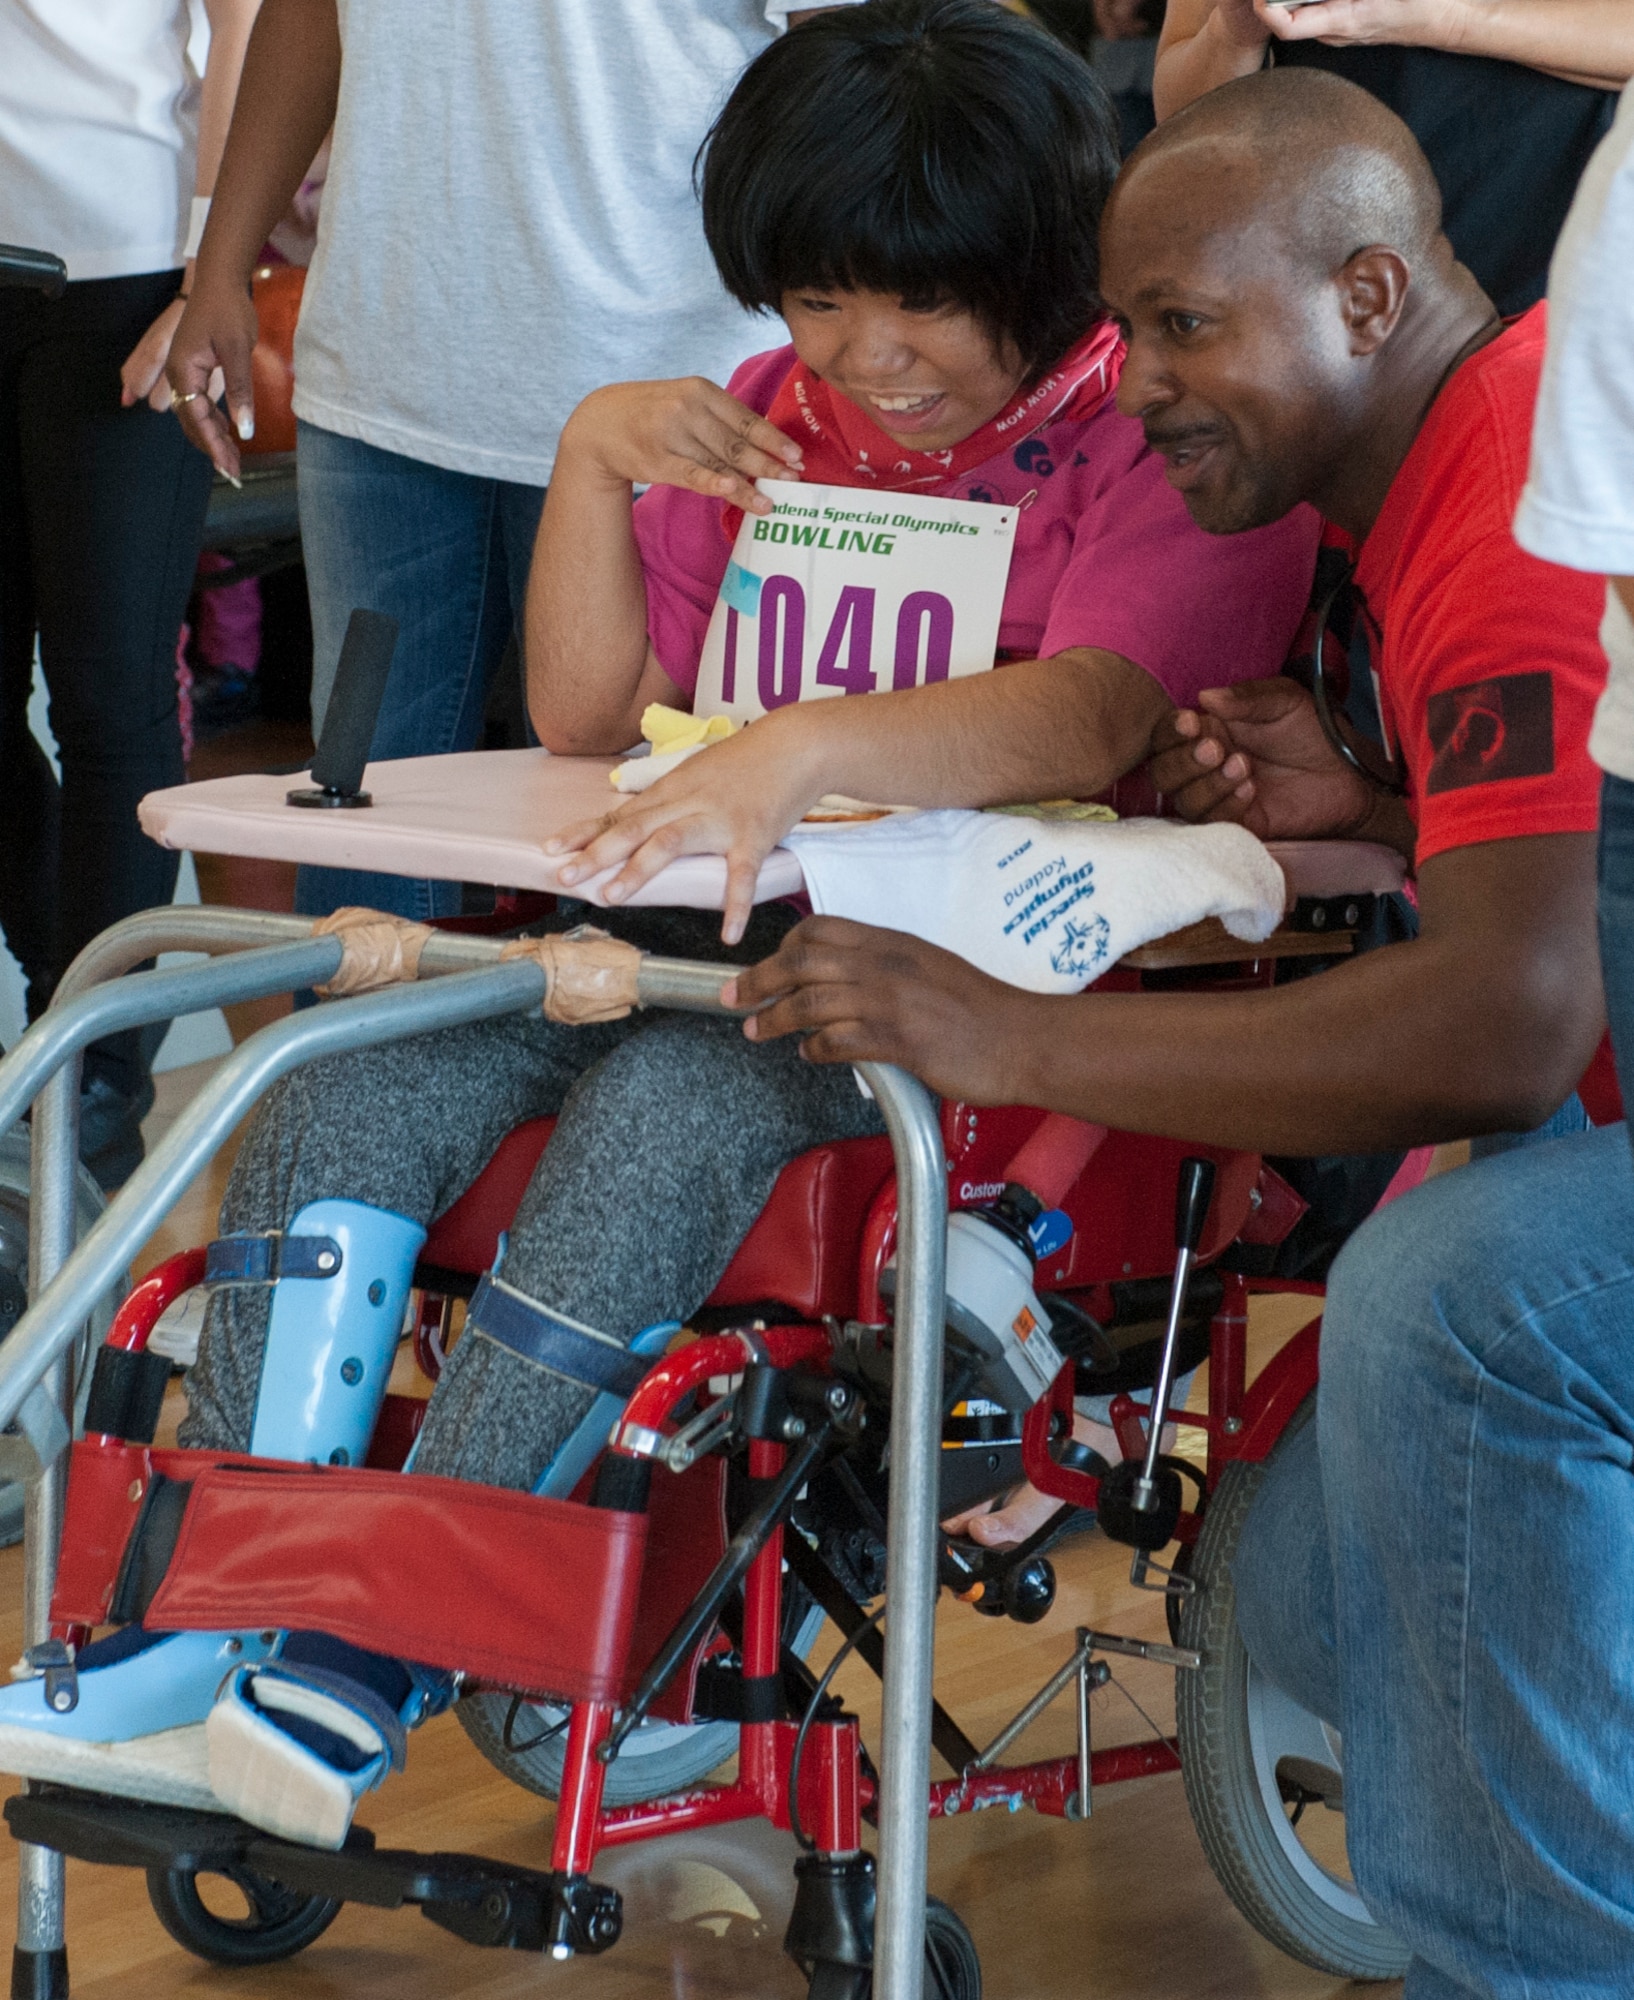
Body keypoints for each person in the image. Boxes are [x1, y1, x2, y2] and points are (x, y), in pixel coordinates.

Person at [0, 0, 1316, 1848]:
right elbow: (578, 722)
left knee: (661, 1123)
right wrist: (602, 462)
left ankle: (377, 1642)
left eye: (913, 308)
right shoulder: (771, 417)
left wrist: (792, 757)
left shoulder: (1139, 445)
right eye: (815, 303)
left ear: (1033, 268)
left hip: (925, 1003)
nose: (867, 356)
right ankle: (205, 1608)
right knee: (335, 1093)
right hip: (678, 949)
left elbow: (1092, 710)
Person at [729, 70, 1622, 1990]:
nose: (1131, 383)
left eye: (1189, 325)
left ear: (1366, 301)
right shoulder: (1475, 450)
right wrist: (1389, 815)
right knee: (1308, 1589)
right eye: (1124, 329)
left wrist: (1002, 1037)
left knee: (1453, 1300)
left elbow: (1505, 1021)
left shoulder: (1508, 512)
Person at [166, 0, 860, 926]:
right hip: (385, 374)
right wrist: (217, 261)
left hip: (671, 398)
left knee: (628, 830)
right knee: (355, 817)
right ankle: (353, 1074)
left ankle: (615, 1072)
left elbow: (836, 66)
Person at [0, 0, 261, 1186]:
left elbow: (250, 17)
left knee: (109, 697)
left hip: (129, 269)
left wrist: (217, 259)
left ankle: (95, 1076)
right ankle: (72, 999)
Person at [1152, 0, 1630, 314]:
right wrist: (1237, 28)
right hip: (1335, 302)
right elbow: (1180, 124)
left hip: (1561, 286)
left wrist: (1440, 18)